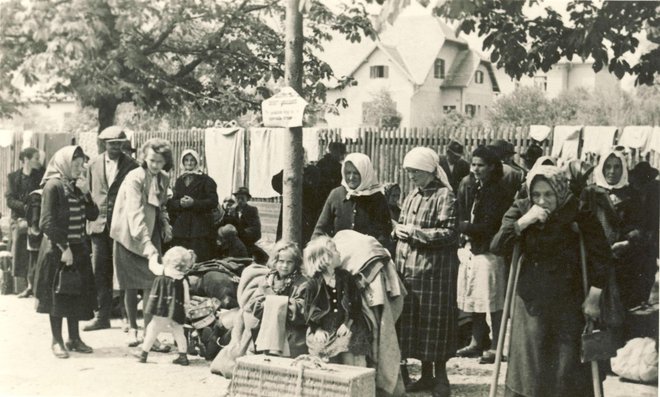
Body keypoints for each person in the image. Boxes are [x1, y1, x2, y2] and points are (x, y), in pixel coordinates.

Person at [490, 165, 612, 397]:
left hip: (568, 301)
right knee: (531, 369)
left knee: (565, 371)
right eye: (536, 194)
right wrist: (524, 222)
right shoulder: (522, 208)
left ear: (560, 190)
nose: (542, 200)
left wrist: (594, 298)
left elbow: (601, 257)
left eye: (548, 194)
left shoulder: (576, 210)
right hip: (531, 302)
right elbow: (497, 246)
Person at [395, 147, 458, 397]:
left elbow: (450, 233)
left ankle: (441, 377)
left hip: (434, 273)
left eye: (416, 171)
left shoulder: (445, 196)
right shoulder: (413, 195)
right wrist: (397, 231)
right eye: (409, 171)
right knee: (417, 324)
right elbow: (402, 223)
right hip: (409, 272)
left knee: (436, 323)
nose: (411, 176)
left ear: (430, 171)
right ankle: (425, 375)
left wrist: (414, 233)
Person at [33, 146, 99, 359]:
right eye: (75, 165)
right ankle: (57, 340)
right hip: (57, 249)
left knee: (75, 293)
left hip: (78, 248)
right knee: (57, 296)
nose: (79, 169)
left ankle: (74, 338)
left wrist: (87, 192)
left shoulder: (77, 186)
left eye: (81, 165)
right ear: (63, 163)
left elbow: (93, 215)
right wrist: (64, 249)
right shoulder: (53, 186)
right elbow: (46, 222)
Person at [110, 138, 174, 350]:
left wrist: (164, 224)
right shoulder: (134, 178)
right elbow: (134, 214)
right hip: (129, 235)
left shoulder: (163, 177)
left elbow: (161, 205)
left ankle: (150, 335)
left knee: (151, 284)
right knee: (129, 284)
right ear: (144, 158)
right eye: (152, 160)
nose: (156, 165)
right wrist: (146, 244)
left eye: (160, 161)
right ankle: (132, 327)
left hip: (150, 232)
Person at [455, 146, 514, 364]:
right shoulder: (476, 187)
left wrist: (463, 227)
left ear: (491, 167)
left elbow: (491, 226)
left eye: (480, 165)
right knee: (475, 297)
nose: (476, 169)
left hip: (491, 251)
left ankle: (497, 345)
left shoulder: (498, 191)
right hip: (475, 249)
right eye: (473, 165)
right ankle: (477, 341)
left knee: (493, 300)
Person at [84, 126, 138, 331]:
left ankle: (127, 317)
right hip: (98, 225)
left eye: (118, 143)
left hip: (122, 226)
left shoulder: (132, 166)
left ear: (123, 144)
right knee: (100, 271)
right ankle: (102, 316)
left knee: (123, 271)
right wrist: (88, 222)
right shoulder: (93, 165)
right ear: (104, 144)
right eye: (111, 143)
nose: (115, 147)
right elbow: (88, 195)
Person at [580, 150, 650, 309]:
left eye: (617, 167)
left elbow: (641, 226)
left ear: (623, 169)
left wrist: (628, 242)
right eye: (608, 166)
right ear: (602, 168)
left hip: (622, 259)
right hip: (594, 258)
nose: (612, 171)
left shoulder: (632, 194)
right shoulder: (590, 192)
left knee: (619, 307)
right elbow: (581, 223)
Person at [303, 236, 370, 366]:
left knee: (348, 343)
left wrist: (348, 323)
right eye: (335, 250)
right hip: (325, 326)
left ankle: (351, 376)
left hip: (347, 322)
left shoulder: (345, 277)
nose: (339, 253)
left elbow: (356, 302)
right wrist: (317, 329)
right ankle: (329, 379)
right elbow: (308, 310)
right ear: (325, 258)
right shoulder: (313, 283)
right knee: (319, 348)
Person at [313, 153, 392, 248]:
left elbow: (384, 234)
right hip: (338, 255)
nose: (351, 177)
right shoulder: (336, 194)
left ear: (365, 173)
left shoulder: (377, 199)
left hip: (367, 256)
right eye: (348, 173)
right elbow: (320, 230)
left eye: (356, 173)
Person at [246, 241, 308, 357]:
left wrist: (276, 304)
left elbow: (303, 308)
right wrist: (269, 304)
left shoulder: (302, 283)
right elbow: (254, 303)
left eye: (289, 262)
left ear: (296, 264)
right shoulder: (268, 280)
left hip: (291, 330)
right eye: (281, 261)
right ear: (275, 261)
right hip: (266, 327)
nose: (284, 266)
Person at [134, 246, 194, 365]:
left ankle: (143, 354)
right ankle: (183, 356)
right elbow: (187, 298)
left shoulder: (162, 271)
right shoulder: (183, 279)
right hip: (177, 309)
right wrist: (186, 309)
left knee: (152, 329)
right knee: (178, 331)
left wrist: (153, 255)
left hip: (162, 308)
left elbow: (152, 265)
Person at [167, 149, 219, 262]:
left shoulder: (206, 180)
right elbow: (172, 203)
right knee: (181, 258)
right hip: (182, 228)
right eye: (186, 160)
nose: (189, 163)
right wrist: (179, 203)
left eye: (192, 160)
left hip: (200, 227)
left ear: (196, 162)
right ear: (182, 162)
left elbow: (213, 201)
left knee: (199, 258)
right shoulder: (179, 180)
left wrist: (194, 203)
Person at [6, 147, 44, 297]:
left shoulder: (40, 175)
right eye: (35, 158)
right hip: (20, 219)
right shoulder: (13, 177)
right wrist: (25, 207)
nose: (38, 161)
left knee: (35, 252)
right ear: (26, 160)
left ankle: (33, 286)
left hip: (36, 219)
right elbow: (10, 200)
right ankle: (24, 286)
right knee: (21, 251)